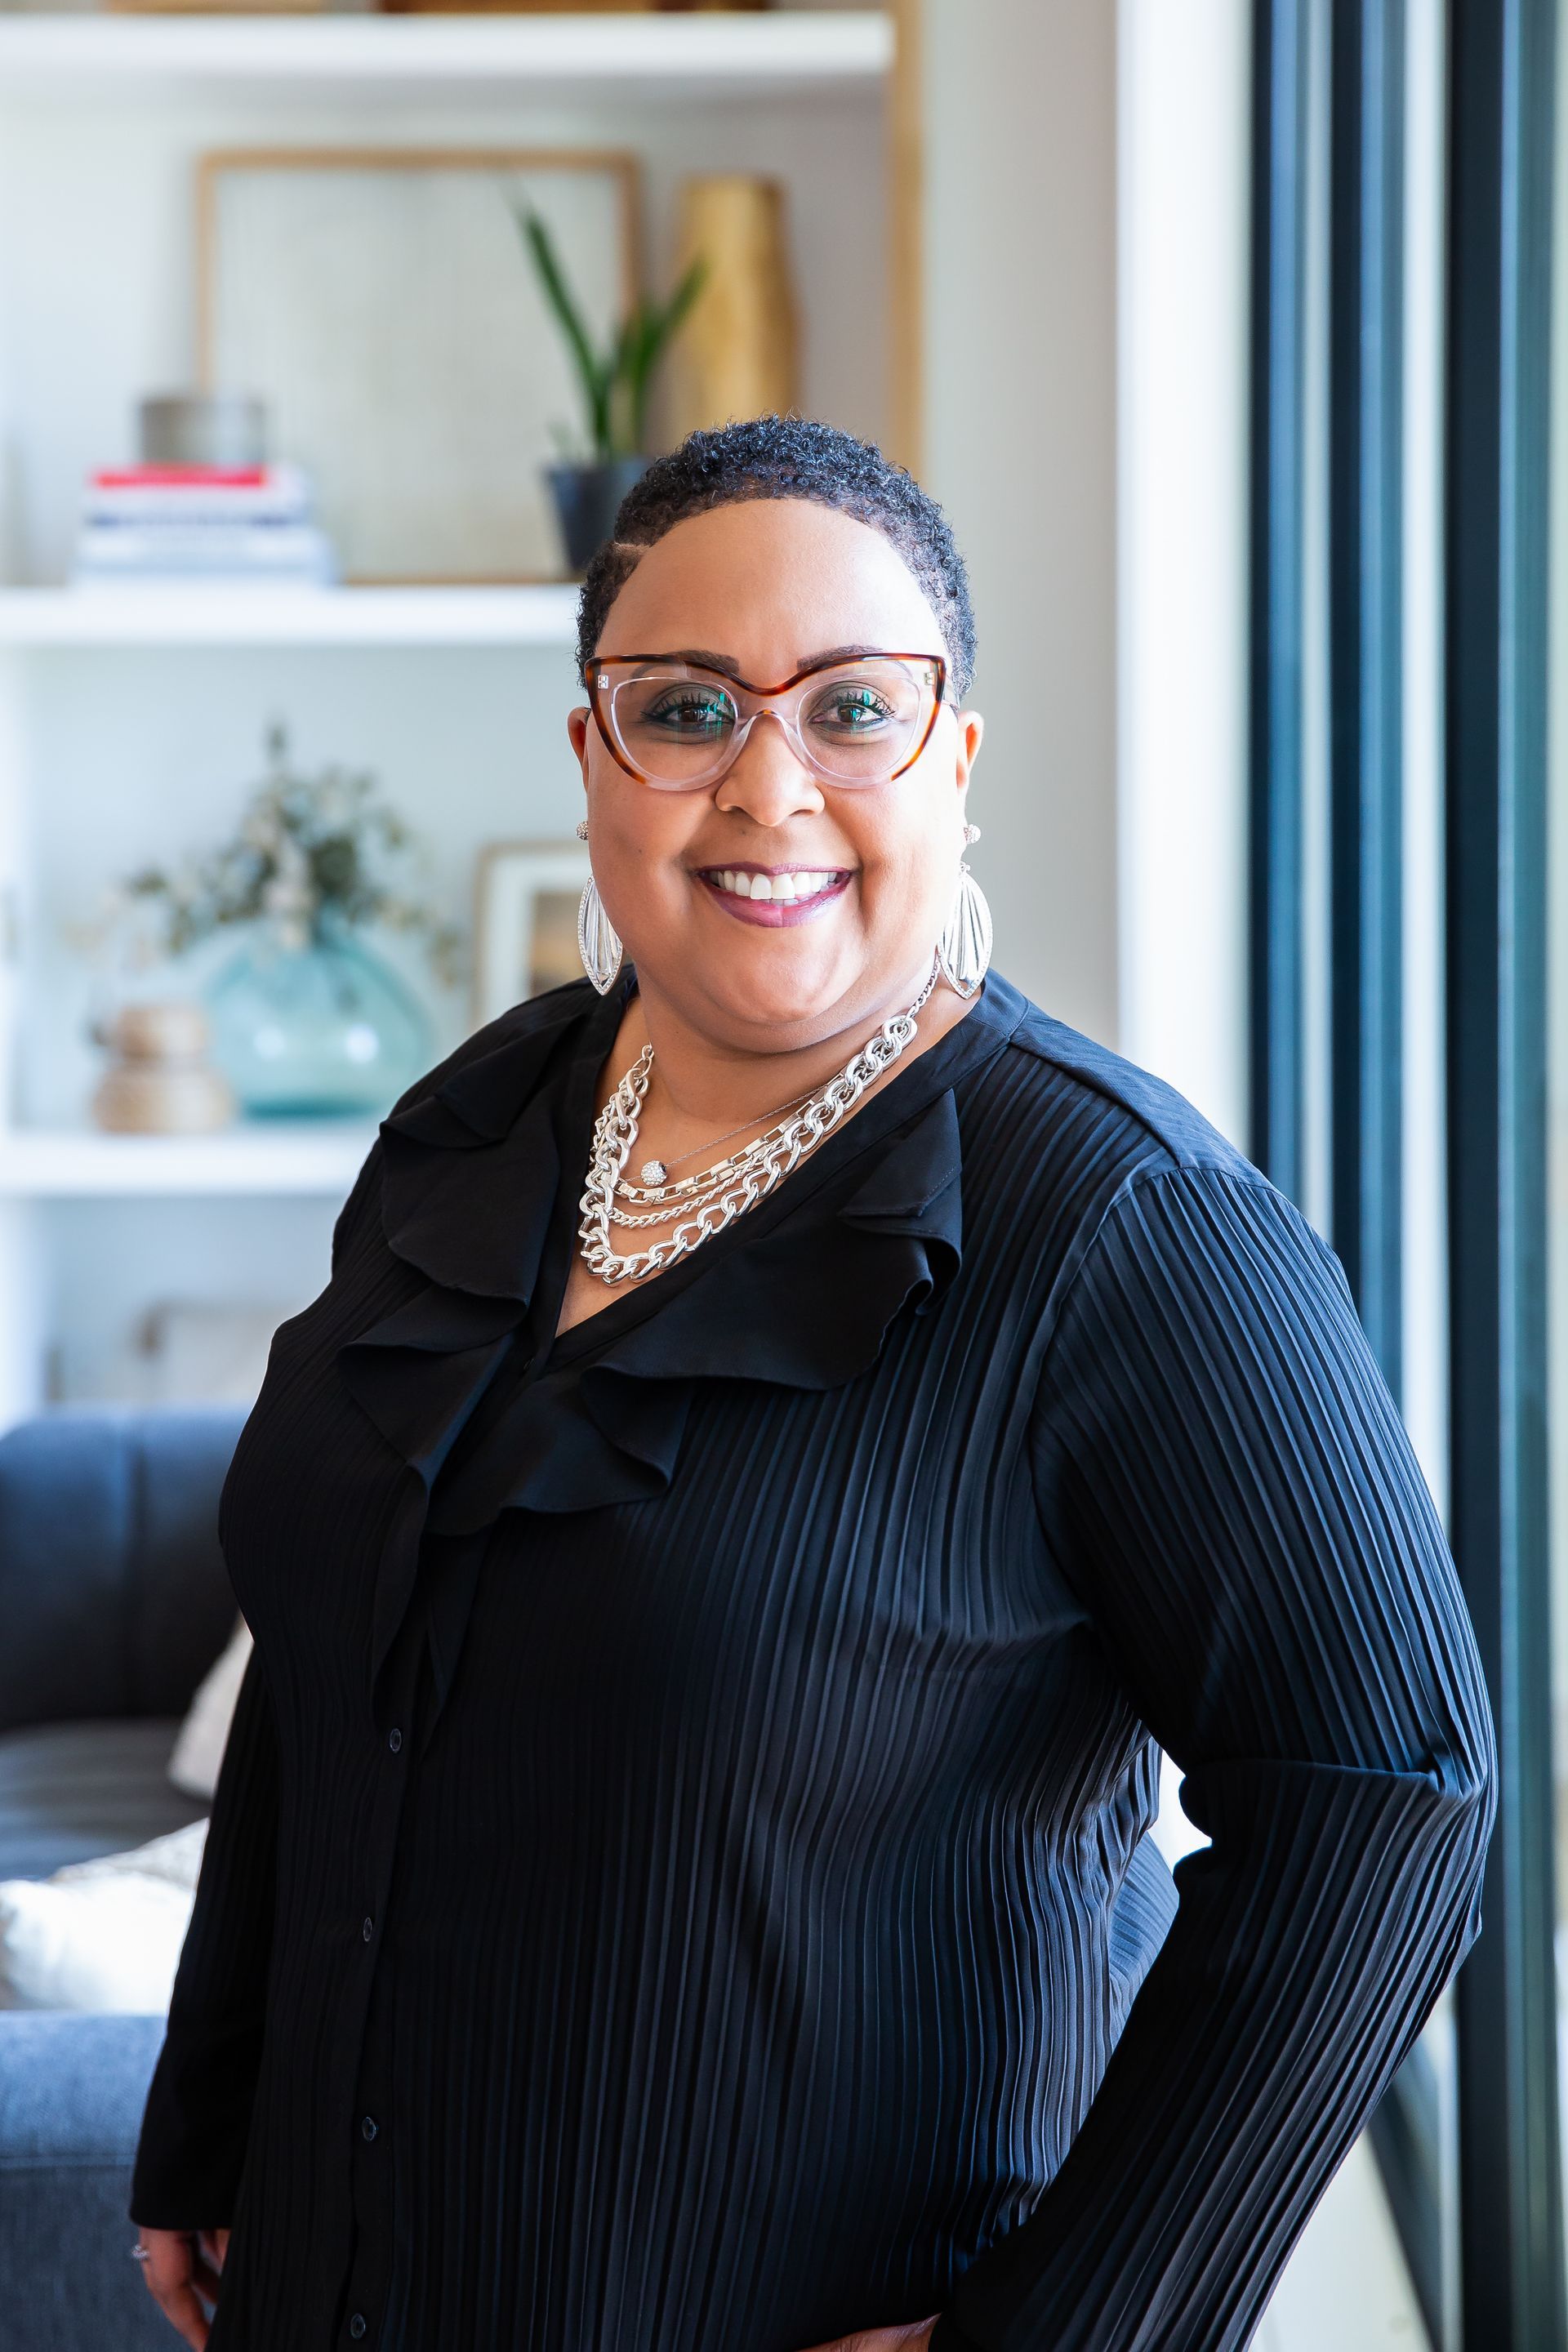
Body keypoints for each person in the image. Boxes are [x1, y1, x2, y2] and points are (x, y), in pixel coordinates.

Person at [127, 416, 1495, 2352]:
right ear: (595, 757)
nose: (768, 786)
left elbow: (1392, 1791)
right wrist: (211, 2115)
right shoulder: (473, 1125)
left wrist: (1068, 2330)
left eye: (854, 707)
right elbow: (337, 1652)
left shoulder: (1129, 1224)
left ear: (956, 760)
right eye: (683, 708)